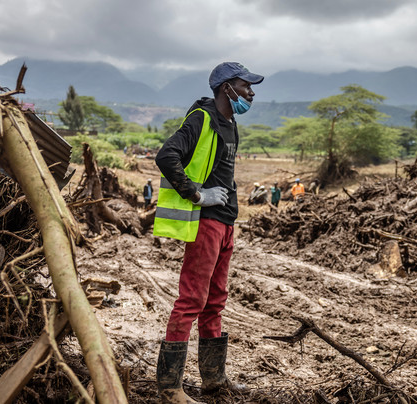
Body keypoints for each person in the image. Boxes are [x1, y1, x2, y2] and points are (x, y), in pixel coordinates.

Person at [153, 61, 263, 402]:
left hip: (226, 222)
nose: (251, 92)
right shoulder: (201, 118)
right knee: (192, 300)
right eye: (246, 86)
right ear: (227, 87)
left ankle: (213, 378)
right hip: (205, 222)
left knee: (215, 300)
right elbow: (166, 156)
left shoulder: (230, 124)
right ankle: (170, 387)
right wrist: (197, 194)